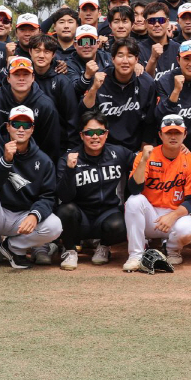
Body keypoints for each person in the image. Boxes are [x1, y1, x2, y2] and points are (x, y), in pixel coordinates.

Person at [0, 107, 64, 275]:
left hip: (22, 217)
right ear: (8, 126)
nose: (21, 129)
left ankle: (12, 247)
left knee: (54, 226)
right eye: (16, 124)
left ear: (32, 128)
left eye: (26, 125)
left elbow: (48, 196)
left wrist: (34, 214)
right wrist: (5, 161)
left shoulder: (43, 160)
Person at [123, 114, 191, 271]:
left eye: (177, 132)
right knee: (134, 200)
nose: (173, 137)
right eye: (168, 132)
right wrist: (143, 161)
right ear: (160, 135)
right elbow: (134, 189)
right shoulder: (146, 156)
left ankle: (173, 249)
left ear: (185, 134)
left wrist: (172, 216)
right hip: (150, 215)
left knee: (187, 230)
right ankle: (136, 255)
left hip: (175, 215)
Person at [56, 115, 134, 269]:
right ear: (81, 135)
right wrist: (70, 170)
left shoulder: (118, 153)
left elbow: (144, 161)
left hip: (106, 214)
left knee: (121, 223)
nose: (95, 137)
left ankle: (104, 247)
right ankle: (70, 250)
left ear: (106, 133)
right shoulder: (69, 158)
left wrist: (177, 150)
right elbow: (64, 196)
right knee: (65, 210)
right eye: (89, 133)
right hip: (80, 218)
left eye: (100, 132)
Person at [0, 56, 60, 158]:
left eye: (26, 74)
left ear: (33, 77)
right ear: (8, 78)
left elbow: (50, 143)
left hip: (31, 159)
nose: (21, 78)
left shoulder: (45, 105)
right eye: (16, 74)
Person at [84, 37, 156, 152]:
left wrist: (142, 152)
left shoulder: (147, 83)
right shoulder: (99, 79)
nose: (125, 61)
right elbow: (85, 112)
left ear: (137, 59)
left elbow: (150, 122)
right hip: (103, 149)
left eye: (130, 56)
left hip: (134, 149)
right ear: (112, 59)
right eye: (120, 55)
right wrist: (93, 88)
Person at [139, 1, 180, 83]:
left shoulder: (179, 48)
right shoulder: (138, 50)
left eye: (161, 20)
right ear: (145, 23)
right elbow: (143, 84)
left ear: (168, 22)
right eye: (152, 21)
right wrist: (153, 59)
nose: (157, 24)